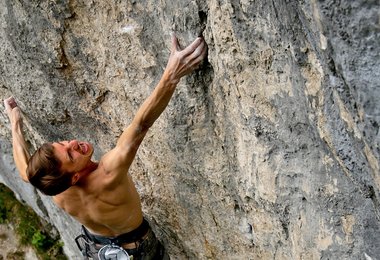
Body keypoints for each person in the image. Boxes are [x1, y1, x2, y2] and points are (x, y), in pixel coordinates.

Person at [4, 34, 207, 260]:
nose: (73, 143)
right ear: (73, 178)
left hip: (97, 250)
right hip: (137, 251)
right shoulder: (108, 173)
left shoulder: (53, 187)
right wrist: (172, 74)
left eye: (63, 143)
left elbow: (24, 171)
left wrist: (15, 125)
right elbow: (140, 126)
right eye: (71, 154)